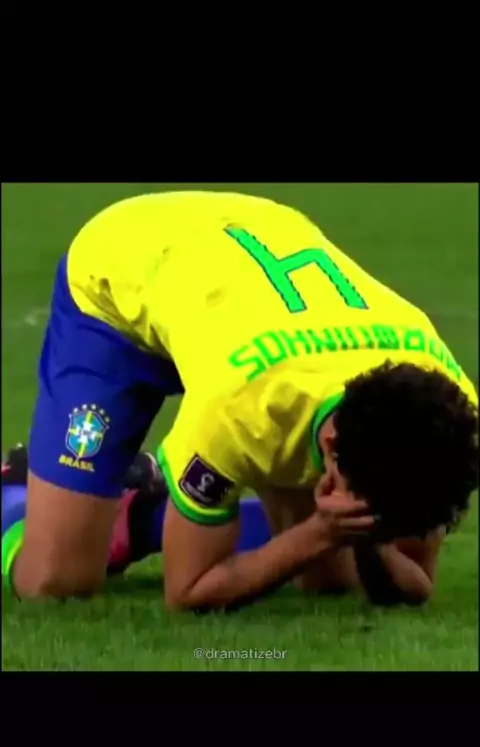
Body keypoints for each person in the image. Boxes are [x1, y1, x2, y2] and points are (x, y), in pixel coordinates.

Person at [2, 191, 478, 610]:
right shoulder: (243, 412)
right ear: (332, 446)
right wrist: (321, 532)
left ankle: (144, 512)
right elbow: (188, 593)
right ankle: (14, 491)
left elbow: (414, 581)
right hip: (126, 267)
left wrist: (359, 535)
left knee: (331, 581)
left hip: (245, 278)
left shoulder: (446, 416)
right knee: (55, 583)